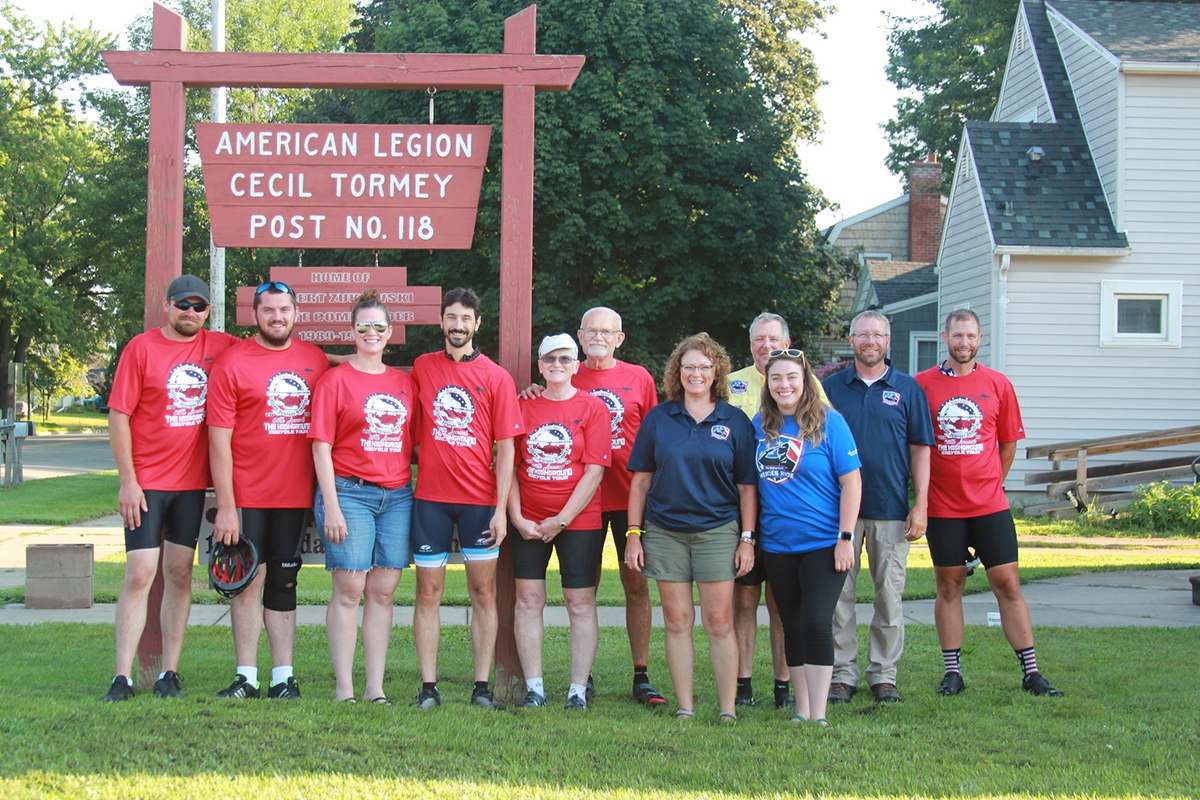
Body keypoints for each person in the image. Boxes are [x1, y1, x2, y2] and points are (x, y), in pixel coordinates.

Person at [518, 306, 665, 706]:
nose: (598, 337)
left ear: (620, 338)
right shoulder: (564, 370)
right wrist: (531, 389)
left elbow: (655, 436)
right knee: (584, 588)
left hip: (628, 495)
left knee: (636, 583)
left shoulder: (639, 378)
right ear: (580, 339)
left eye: (607, 331)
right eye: (591, 331)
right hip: (581, 502)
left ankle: (641, 673)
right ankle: (586, 676)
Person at [102, 274, 238, 701]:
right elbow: (118, 416)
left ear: (208, 312)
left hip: (192, 486)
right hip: (146, 485)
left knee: (179, 573)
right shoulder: (140, 349)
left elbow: (280, 358)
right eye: (183, 305)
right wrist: (127, 481)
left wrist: (353, 355)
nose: (191, 313)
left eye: (199, 307)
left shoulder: (220, 346)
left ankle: (169, 673)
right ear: (168, 306)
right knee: (140, 572)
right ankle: (122, 677)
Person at [914, 309, 1063, 698]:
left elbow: (1008, 442)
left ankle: (1032, 673)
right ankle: (952, 673)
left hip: (989, 505)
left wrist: (991, 480)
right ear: (945, 337)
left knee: (1008, 584)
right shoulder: (922, 385)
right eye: (957, 335)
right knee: (949, 586)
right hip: (942, 507)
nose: (963, 343)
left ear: (980, 339)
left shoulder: (998, 384)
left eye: (971, 336)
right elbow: (913, 445)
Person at [625, 333, 757, 722]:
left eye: (703, 366)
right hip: (665, 532)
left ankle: (727, 708)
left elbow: (747, 488)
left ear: (716, 371)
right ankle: (685, 707)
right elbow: (640, 481)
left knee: (719, 621)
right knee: (677, 620)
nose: (695, 374)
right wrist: (634, 533)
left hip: (718, 531)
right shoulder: (660, 418)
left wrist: (747, 539)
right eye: (688, 367)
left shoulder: (734, 420)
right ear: (676, 372)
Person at [206, 281, 329, 700]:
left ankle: (283, 677)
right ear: (254, 315)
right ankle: (246, 676)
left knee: (283, 583)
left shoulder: (314, 359)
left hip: (294, 496)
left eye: (284, 309)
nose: (277, 317)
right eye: (269, 310)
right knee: (245, 582)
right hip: (246, 496)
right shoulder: (232, 362)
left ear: (296, 313)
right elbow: (218, 440)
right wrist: (226, 507)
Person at [410, 287, 523, 711]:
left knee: (484, 594)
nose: (458, 326)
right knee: (428, 593)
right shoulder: (423, 367)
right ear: (441, 322)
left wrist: (500, 511)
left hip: (479, 500)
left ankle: (480, 686)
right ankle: (428, 686)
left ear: (478, 324)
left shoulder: (496, 376)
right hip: (430, 500)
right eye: (451, 318)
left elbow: (508, 448)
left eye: (465, 319)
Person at [310, 289, 418, 704]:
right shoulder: (334, 381)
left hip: (397, 496)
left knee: (384, 591)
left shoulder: (404, 383)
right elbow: (321, 447)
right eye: (362, 326)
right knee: (350, 589)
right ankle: (345, 688)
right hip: (348, 493)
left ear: (390, 332)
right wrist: (331, 506)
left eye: (378, 326)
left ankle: (375, 687)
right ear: (351, 331)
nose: (371, 333)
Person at [822, 310, 933, 704]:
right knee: (840, 598)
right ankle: (842, 674)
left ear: (889, 341)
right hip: (838, 515)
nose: (871, 341)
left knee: (889, 596)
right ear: (851, 340)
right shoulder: (830, 389)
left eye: (878, 335)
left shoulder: (908, 389)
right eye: (863, 335)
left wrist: (920, 506)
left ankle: (884, 674)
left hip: (890, 510)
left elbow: (920, 450)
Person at [755, 348, 861, 726]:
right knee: (792, 623)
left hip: (823, 544)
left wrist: (845, 537)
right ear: (767, 384)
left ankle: (820, 712)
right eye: (776, 378)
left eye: (791, 377)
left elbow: (852, 482)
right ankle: (801, 709)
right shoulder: (760, 424)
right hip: (778, 544)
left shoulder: (830, 423)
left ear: (805, 381)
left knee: (817, 621)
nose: (784, 385)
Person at [726, 313, 827, 709]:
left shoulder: (807, 381)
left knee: (784, 606)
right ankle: (744, 682)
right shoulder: (731, 382)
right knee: (745, 601)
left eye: (772, 338)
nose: (765, 345)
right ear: (749, 343)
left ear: (787, 340)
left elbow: (821, 439)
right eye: (758, 339)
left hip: (792, 514)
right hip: (745, 511)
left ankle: (784, 685)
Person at [509, 333, 611, 710]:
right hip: (528, 519)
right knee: (528, 599)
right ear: (539, 364)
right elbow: (511, 467)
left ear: (576, 363)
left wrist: (562, 520)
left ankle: (577, 690)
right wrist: (517, 517)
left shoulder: (592, 407)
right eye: (549, 359)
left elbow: (595, 470)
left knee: (580, 602)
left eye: (565, 359)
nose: (557, 365)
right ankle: (535, 687)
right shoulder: (522, 406)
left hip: (578, 519)